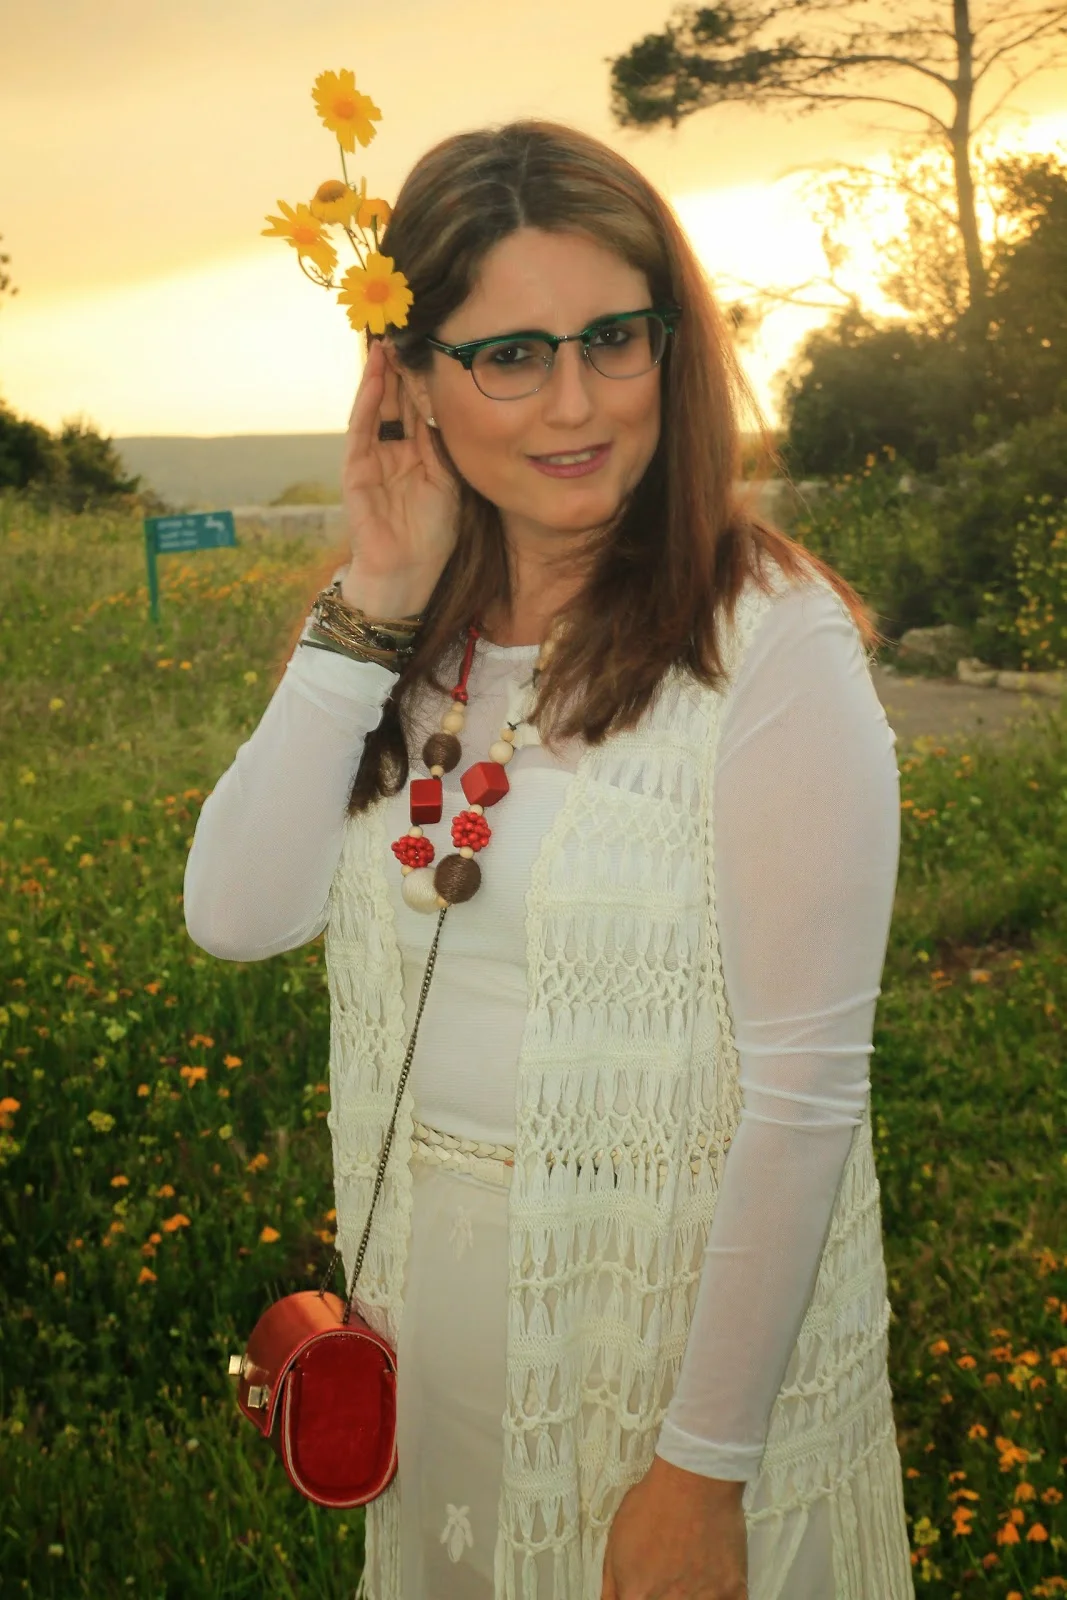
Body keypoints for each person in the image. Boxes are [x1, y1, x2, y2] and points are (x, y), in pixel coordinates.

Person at [184, 120, 914, 1600]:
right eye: (510, 355)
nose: (575, 403)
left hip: (662, 1339)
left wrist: (701, 1473)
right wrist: (377, 592)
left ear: (669, 346)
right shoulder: (404, 636)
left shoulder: (767, 648)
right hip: (438, 1318)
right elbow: (239, 914)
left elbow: (804, 1094)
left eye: (612, 339)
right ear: (411, 381)